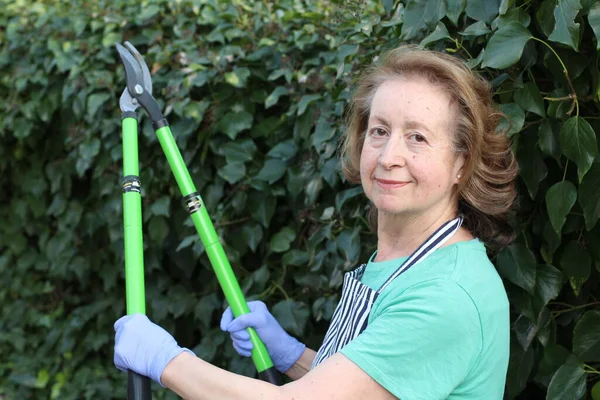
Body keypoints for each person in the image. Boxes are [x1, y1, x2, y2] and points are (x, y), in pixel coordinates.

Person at [113, 45, 518, 399]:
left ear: (461, 163)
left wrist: (168, 362)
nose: (389, 156)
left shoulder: (446, 296)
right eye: (379, 131)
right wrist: (291, 355)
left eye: (417, 137)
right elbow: (367, 387)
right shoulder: (407, 261)